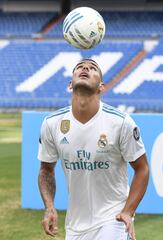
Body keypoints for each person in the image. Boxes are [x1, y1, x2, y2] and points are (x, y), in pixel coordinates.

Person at [37, 58, 149, 240]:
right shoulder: (51, 124)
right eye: (80, 67)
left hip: (113, 219)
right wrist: (49, 207)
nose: (85, 68)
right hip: (75, 226)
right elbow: (46, 170)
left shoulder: (121, 122)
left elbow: (142, 169)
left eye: (93, 68)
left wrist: (128, 212)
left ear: (101, 87)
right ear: (70, 84)